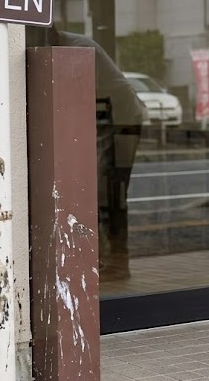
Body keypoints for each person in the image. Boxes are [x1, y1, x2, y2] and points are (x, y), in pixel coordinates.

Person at [45, 26, 146, 281]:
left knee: (108, 192)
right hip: (108, 117)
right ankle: (110, 259)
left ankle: (116, 261)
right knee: (104, 190)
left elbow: (70, 95)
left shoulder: (76, 49)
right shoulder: (67, 46)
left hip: (120, 118)